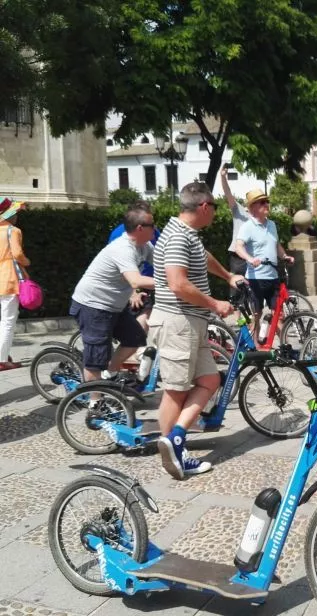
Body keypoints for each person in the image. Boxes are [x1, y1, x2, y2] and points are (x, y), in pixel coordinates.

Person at [152, 182, 245, 480]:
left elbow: (203, 258)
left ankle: (176, 437)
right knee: (176, 390)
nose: (216, 215)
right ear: (204, 206)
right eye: (215, 208)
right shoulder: (178, 236)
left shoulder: (187, 235)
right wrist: (214, 303)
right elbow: (177, 284)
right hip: (178, 322)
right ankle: (173, 459)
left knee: (209, 379)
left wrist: (228, 275)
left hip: (191, 323)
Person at [69, 207, 156, 384]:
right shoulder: (122, 248)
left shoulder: (145, 246)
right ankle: (95, 406)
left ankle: (110, 374)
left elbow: (163, 266)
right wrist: (171, 284)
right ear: (140, 228)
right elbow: (135, 281)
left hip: (114, 306)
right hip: (93, 306)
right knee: (95, 360)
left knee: (135, 339)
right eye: (152, 225)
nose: (155, 229)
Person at [234, 189, 294, 341]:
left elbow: (276, 245)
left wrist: (285, 256)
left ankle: (284, 348)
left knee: (279, 315)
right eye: (262, 202)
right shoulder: (247, 227)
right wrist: (250, 259)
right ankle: (256, 350)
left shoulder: (272, 225)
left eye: (267, 201)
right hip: (256, 279)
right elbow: (238, 247)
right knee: (256, 316)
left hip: (273, 276)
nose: (267, 204)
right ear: (253, 207)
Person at [108, 200, 160, 332]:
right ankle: (137, 349)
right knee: (141, 316)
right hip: (129, 283)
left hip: (146, 281)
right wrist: (132, 294)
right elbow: (121, 270)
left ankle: (136, 345)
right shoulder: (120, 237)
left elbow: (160, 258)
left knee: (145, 314)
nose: (153, 227)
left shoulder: (152, 233)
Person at [0, 199, 30, 371]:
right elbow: (18, 254)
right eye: (15, 213)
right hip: (8, 279)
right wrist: (27, 262)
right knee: (8, 320)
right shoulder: (13, 231)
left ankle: (3, 353)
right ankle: (2, 359)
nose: (17, 217)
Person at [219, 165, 251, 301]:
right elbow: (228, 194)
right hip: (237, 257)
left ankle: (252, 320)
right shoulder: (240, 211)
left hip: (253, 257)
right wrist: (223, 177)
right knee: (237, 289)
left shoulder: (262, 219)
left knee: (251, 291)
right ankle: (240, 321)